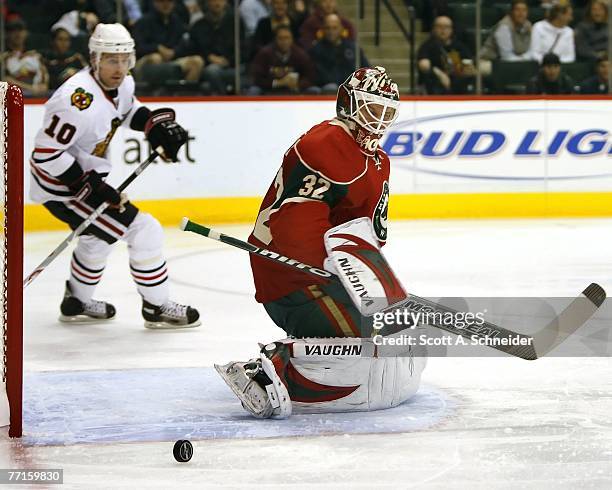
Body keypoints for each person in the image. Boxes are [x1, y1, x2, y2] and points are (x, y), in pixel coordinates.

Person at [215, 67, 426, 419]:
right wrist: (326, 266)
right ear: (348, 103)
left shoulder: (377, 162)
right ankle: (266, 371)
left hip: (324, 273)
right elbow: (294, 221)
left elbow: (364, 235)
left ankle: (295, 359)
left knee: (392, 343)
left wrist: (366, 278)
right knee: (369, 349)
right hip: (289, 272)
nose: (379, 122)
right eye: (373, 109)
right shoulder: (326, 144)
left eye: (387, 113)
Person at [30, 23, 201, 329]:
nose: (119, 68)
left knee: (98, 238)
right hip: (61, 187)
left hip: (83, 181)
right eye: (111, 60)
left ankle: (77, 301)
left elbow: (128, 110)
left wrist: (154, 126)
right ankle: (157, 306)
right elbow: (46, 154)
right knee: (144, 229)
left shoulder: (120, 85)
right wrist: (91, 188)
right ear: (95, 59)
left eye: (124, 60)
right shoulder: (75, 100)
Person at [180, 0, 246, 94]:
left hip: (232, 65)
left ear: (226, 2)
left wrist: (228, 60)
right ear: (207, 2)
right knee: (211, 71)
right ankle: (224, 101)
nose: (217, 3)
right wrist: (209, 57)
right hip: (207, 67)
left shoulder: (236, 23)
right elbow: (192, 51)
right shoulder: (198, 26)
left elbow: (243, 48)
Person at [132, 0, 204, 83]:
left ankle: (184, 93)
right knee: (156, 58)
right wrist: (157, 48)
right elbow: (138, 47)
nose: (166, 4)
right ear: (155, 3)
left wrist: (174, 51)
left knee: (197, 61)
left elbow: (185, 44)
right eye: (162, 2)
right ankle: (154, 93)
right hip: (145, 63)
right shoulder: (144, 22)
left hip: (172, 60)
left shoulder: (177, 21)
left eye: (169, 2)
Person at [309, 14, 369, 93]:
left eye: (335, 28)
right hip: (327, 89)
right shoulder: (316, 49)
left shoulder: (352, 48)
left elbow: (366, 68)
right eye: (328, 28)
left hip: (351, 88)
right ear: (323, 30)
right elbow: (318, 74)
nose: (331, 31)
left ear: (341, 29)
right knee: (331, 88)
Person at [416, 16, 475, 94]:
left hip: (458, 86)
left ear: (451, 30)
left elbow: (469, 65)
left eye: (446, 27)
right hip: (436, 87)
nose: (443, 30)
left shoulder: (459, 47)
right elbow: (423, 64)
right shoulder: (427, 46)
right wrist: (439, 73)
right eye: (439, 27)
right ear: (434, 29)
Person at [249, 25, 315, 94]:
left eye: (287, 38)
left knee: (314, 90)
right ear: (275, 39)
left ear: (292, 39)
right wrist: (278, 83)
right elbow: (257, 78)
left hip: (295, 89)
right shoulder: (264, 54)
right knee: (254, 90)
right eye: (280, 38)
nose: (284, 41)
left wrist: (298, 84)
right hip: (269, 89)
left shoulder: (300, 55)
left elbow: (310, 77)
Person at [0, 16, 49, 97]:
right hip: (11, 99)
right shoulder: (3, 58)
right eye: (13, 30)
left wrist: (43, 86)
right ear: (7, 34)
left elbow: (45, 83)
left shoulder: (35, 56)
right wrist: (30, 88)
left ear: (26, 33)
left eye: (21, 30)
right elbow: (4, 80)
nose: (18, 34)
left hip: (35, 100)